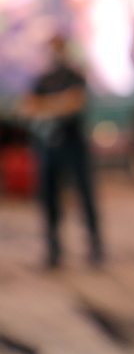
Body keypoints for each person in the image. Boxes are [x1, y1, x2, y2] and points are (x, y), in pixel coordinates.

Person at [18, 34, 104, 268]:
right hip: (47, 146)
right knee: (49, 199)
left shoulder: (74, 77)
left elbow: (74, 104)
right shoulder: (42, 79)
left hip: (73, 145)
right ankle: (53, 250)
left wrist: (45, 106)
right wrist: (58, 104)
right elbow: (27, 108)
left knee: (84, 196)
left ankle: (95, 247)